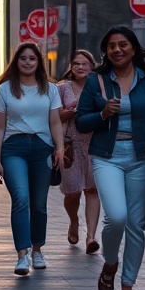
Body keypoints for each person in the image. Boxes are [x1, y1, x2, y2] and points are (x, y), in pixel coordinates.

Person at [77, 25, 145, 290]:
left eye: (122, 44)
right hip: (107, 156)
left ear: (133, 48)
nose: (117, 49)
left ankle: (127, 287)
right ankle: (110, 263)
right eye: (111, 46)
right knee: (117, 217)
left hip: (141, 158)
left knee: (136, 225)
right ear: (106, 51)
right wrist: (102, 113)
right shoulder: (96, 81)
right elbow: (80, 121)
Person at [0, 43, 65, 275]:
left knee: (39, 204)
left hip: (42, 148)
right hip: (13, 148)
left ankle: (37, 250)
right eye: (23, 58)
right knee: (21, 197)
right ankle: (22, 255)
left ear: (38, 62)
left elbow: (55, 122)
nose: (27, 62)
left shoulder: (50, 89)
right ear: (16, 61)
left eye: (32, 58)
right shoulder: (5, 89)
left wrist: (60, 148)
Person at [57, 49, 101, 255]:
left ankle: (91, 236)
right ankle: (73, 220)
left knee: (93, 189)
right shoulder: (62, 88)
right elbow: (55, 117)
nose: (80, 67)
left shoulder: (99, 86)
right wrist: (73, 110)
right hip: (70, 144)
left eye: (85, 63)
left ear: (92, 66)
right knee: (72, 191)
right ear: (71, 67)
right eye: (76, 63)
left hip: (94, 143)